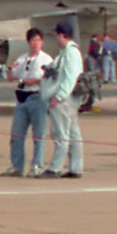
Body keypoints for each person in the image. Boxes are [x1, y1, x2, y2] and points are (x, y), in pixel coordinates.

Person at [5, 28, 52, 176]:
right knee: (17, 134)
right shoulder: (23, 58)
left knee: (38, 134)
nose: (35, 43)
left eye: (38, 40)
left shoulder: (46, 59)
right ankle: (17, 165)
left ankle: (37, 165)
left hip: (37, 96)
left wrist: (36, 80)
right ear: (28, 42)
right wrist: (10, 69)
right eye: (33, 40)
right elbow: (12, 77)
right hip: (23, 97)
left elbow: (50, 78)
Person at [43, 19, 86, 178]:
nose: (55, 38)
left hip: (64, 100)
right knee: (73, 134)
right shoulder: (66, 52)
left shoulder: (71, 52)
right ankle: (76, 167)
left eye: (56, 34)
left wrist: (59, 96)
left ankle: (55, 167)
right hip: (67, 99)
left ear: (62, 34)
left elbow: (70, 78)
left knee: (60, 133)